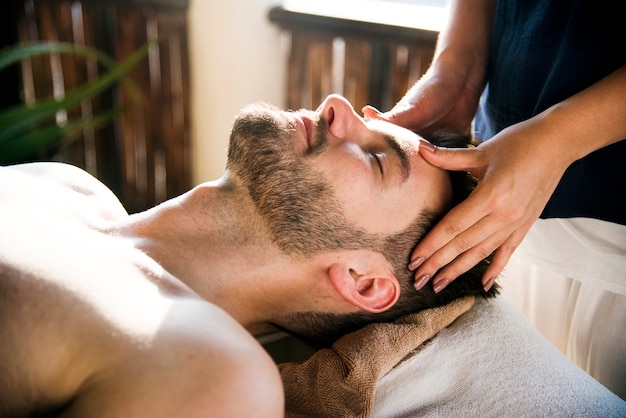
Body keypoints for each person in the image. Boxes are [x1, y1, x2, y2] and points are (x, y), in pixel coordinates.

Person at [0, 94, 496, 416]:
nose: (336, 106)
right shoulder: (69, 185)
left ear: (362, 281)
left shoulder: (215, 374)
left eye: (376, 158)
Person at [363, 0, 626, 294]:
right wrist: (456, 69)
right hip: (500, 219)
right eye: (374, 159)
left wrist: (559, 138)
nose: (339, 106)